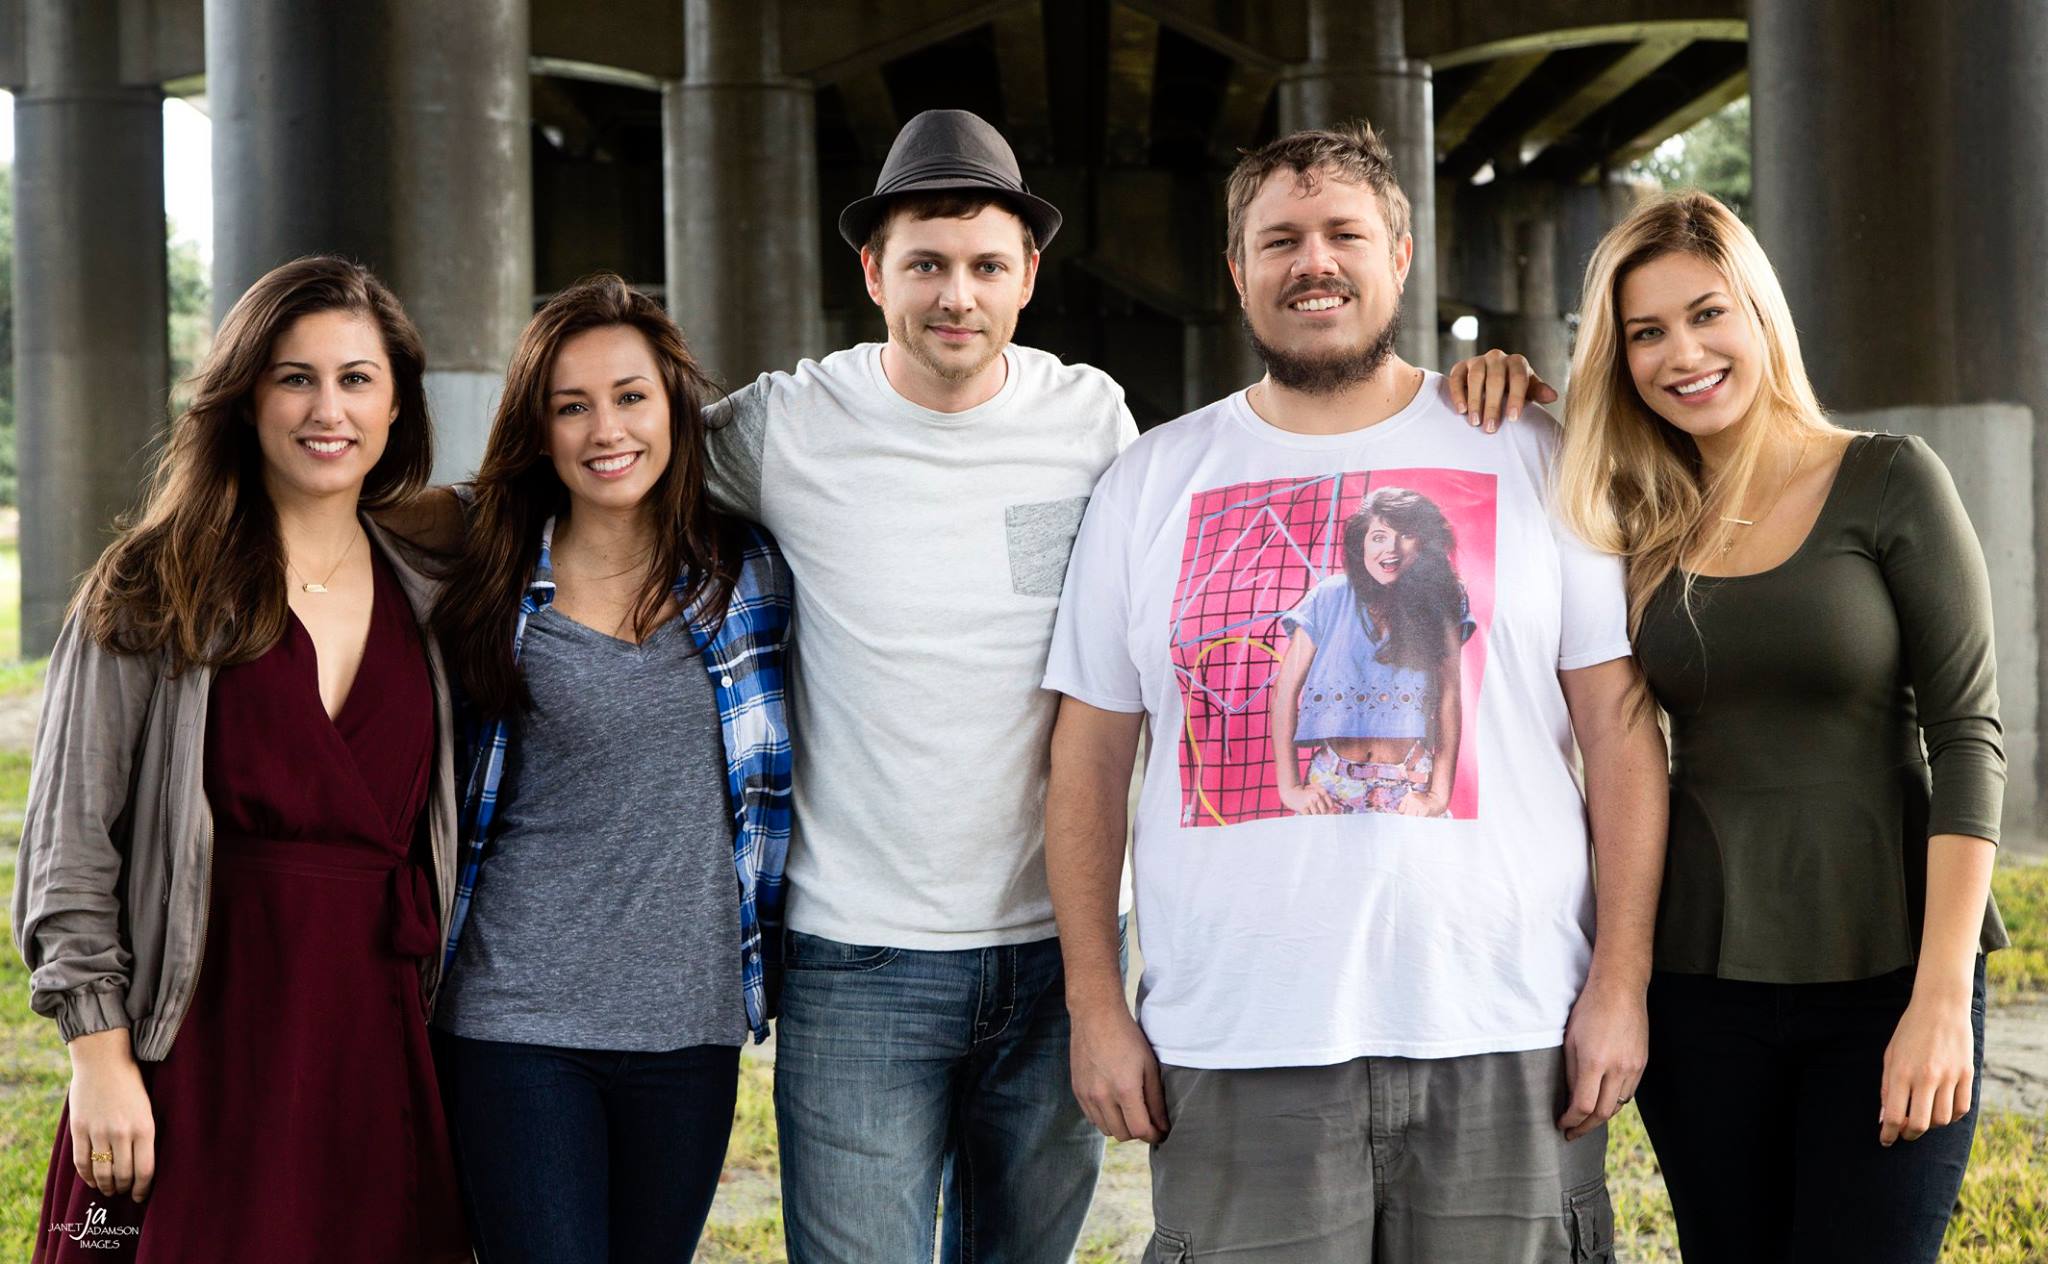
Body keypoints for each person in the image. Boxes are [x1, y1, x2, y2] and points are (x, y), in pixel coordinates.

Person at [1042, 123, 1667, 1263]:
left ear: (1400, 254)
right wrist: (1094, 1005)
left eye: (1342, 233)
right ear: (1237, 272)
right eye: (1277, 239)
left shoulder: (1529, 450)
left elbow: (1619, 738)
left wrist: (1618, 980)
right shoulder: (1149, 482)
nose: (1311, 261)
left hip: (1503, 1023)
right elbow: (1085, 760)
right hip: (1236, 1040)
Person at [1463, 190, 2006, 1262]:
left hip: (1888, 969)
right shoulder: (1625, 515)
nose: (1683, 353)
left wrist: (1942, 996)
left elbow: (1965, 738)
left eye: (1706, 314)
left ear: (1758, 313)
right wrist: (1502, 391)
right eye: (1645, 333)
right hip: (1700, 980)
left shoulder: (1889, 479)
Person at [702, 109, 1136, 1263]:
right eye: (926, 265)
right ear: (871, 271)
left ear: (1027, 275)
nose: (958, 295)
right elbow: (603, 459)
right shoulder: (788, 425)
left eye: (987, 266)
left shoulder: (1089, 419)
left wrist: (1467, 404)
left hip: (1061, 950)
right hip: (859, 954)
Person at [13, 256, 468, 1261]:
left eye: (357, 378)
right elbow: (68, 846)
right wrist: (99, 1059)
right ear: (244, 395)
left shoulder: (434, 591)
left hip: (377, 1043)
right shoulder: (153, 583)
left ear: (397, 404)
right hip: (201, 1038)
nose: (327, 407)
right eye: (293, 376)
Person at [423, 275, 791, 1264]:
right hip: (516, 1021)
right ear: (537, 429)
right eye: (569, 405)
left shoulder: (747, 574)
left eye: (629, 396)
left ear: (674, 404)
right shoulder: (485, 574)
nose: (604, 429)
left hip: (690, 1026)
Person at [1273, 486, 1474, 817]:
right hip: (1330, 785)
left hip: (1412, 784)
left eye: (1406, 534)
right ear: (1361, 543)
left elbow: (1450, 695)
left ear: (1423, 543)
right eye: (1379, 536)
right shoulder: (1328, 597)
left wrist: (1438, 795)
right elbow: (1284, 692)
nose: (1391, 549)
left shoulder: (1442, 600)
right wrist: (1290, 789)